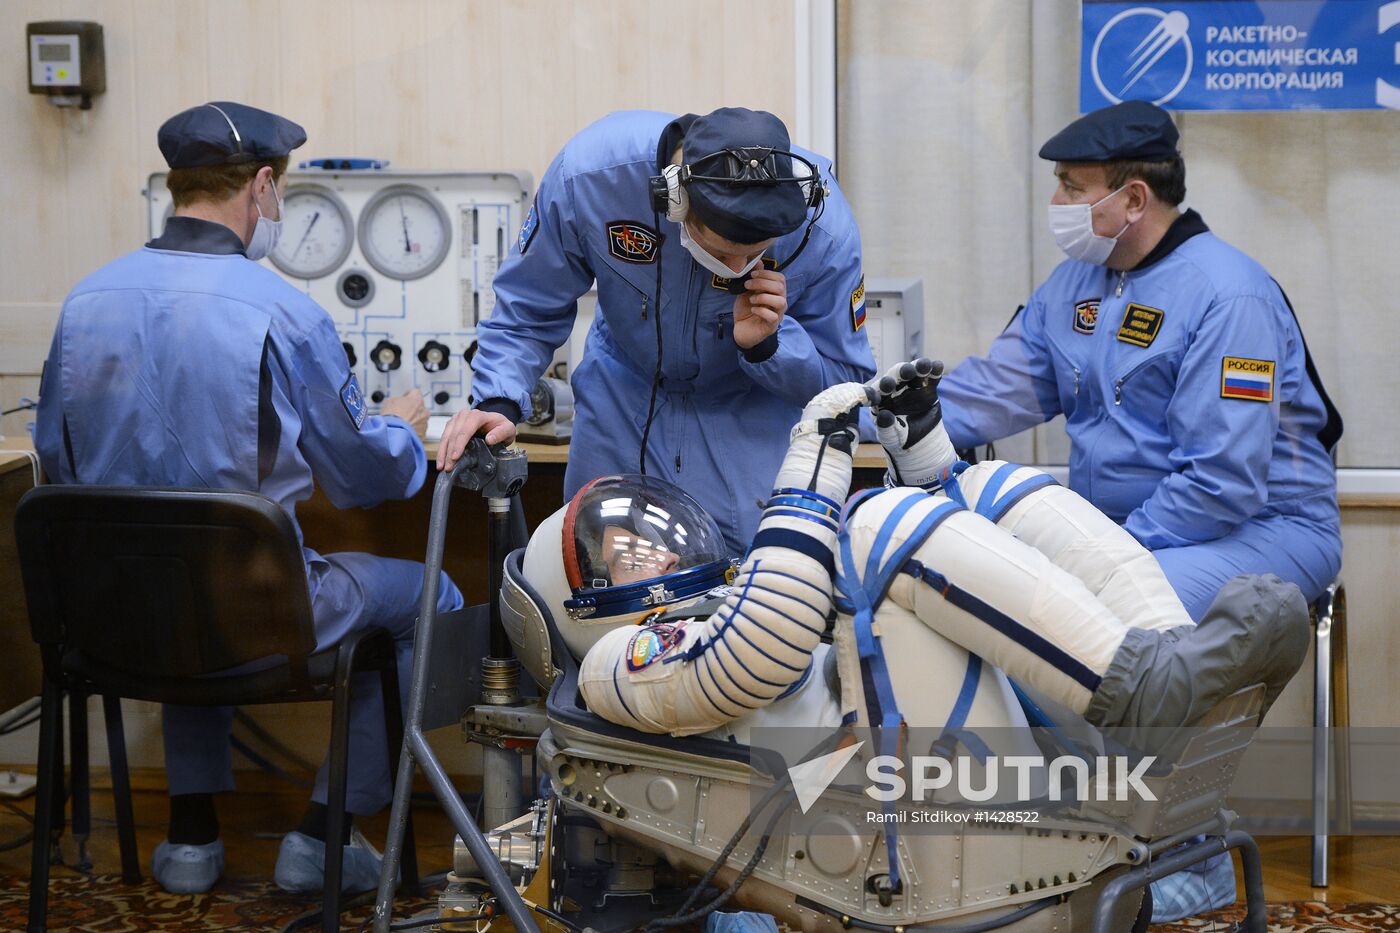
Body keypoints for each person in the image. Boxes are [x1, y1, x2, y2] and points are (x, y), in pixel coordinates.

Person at [32, 101, 463, 896]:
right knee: (433, 593)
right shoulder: (283, 312)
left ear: (179, 185)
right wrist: (401, 429)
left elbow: (56, 466)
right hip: (255, 611)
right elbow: (361, 476)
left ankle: (191, 839)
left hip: (117, 616)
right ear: (262, 188)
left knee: (187, 573)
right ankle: (324, 835)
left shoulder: (86, 301)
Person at [507, 359, 1308, 750]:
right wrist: (813, 473)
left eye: (656, 532)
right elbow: (760, 656)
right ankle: (1146, 691)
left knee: (990, 490)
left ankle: (1167, 674)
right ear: (570, 601)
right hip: (859, 800)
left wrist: (930, 468)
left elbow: (802, 614)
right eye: (625, 551)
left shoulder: (727, 597)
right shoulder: (612, 665)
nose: (656, 550)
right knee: (869, 527)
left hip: (913, 755)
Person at [938, 101, 1342, 625]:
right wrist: (865, 416)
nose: (1056, 201)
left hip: (1264, 527)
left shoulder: (1231, 297)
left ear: (1133, 199)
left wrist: (1107, 551)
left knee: (1097, 612)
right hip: (1120, 532)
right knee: (971, 584)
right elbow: (990, 394)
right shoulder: (1072, 285)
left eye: (1072, 187)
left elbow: (1222, 482)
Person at [437, 107, 876, 553]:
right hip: (623, 402)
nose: (738, 270)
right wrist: (499, 397)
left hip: (749, 415)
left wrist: (770, 348)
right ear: (676, 201)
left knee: (753, 595)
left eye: (754, 254)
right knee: (600, 585)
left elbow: (845, 387)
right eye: (723, 252)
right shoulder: (592, 179)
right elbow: (528, 304)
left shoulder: (824, 231)